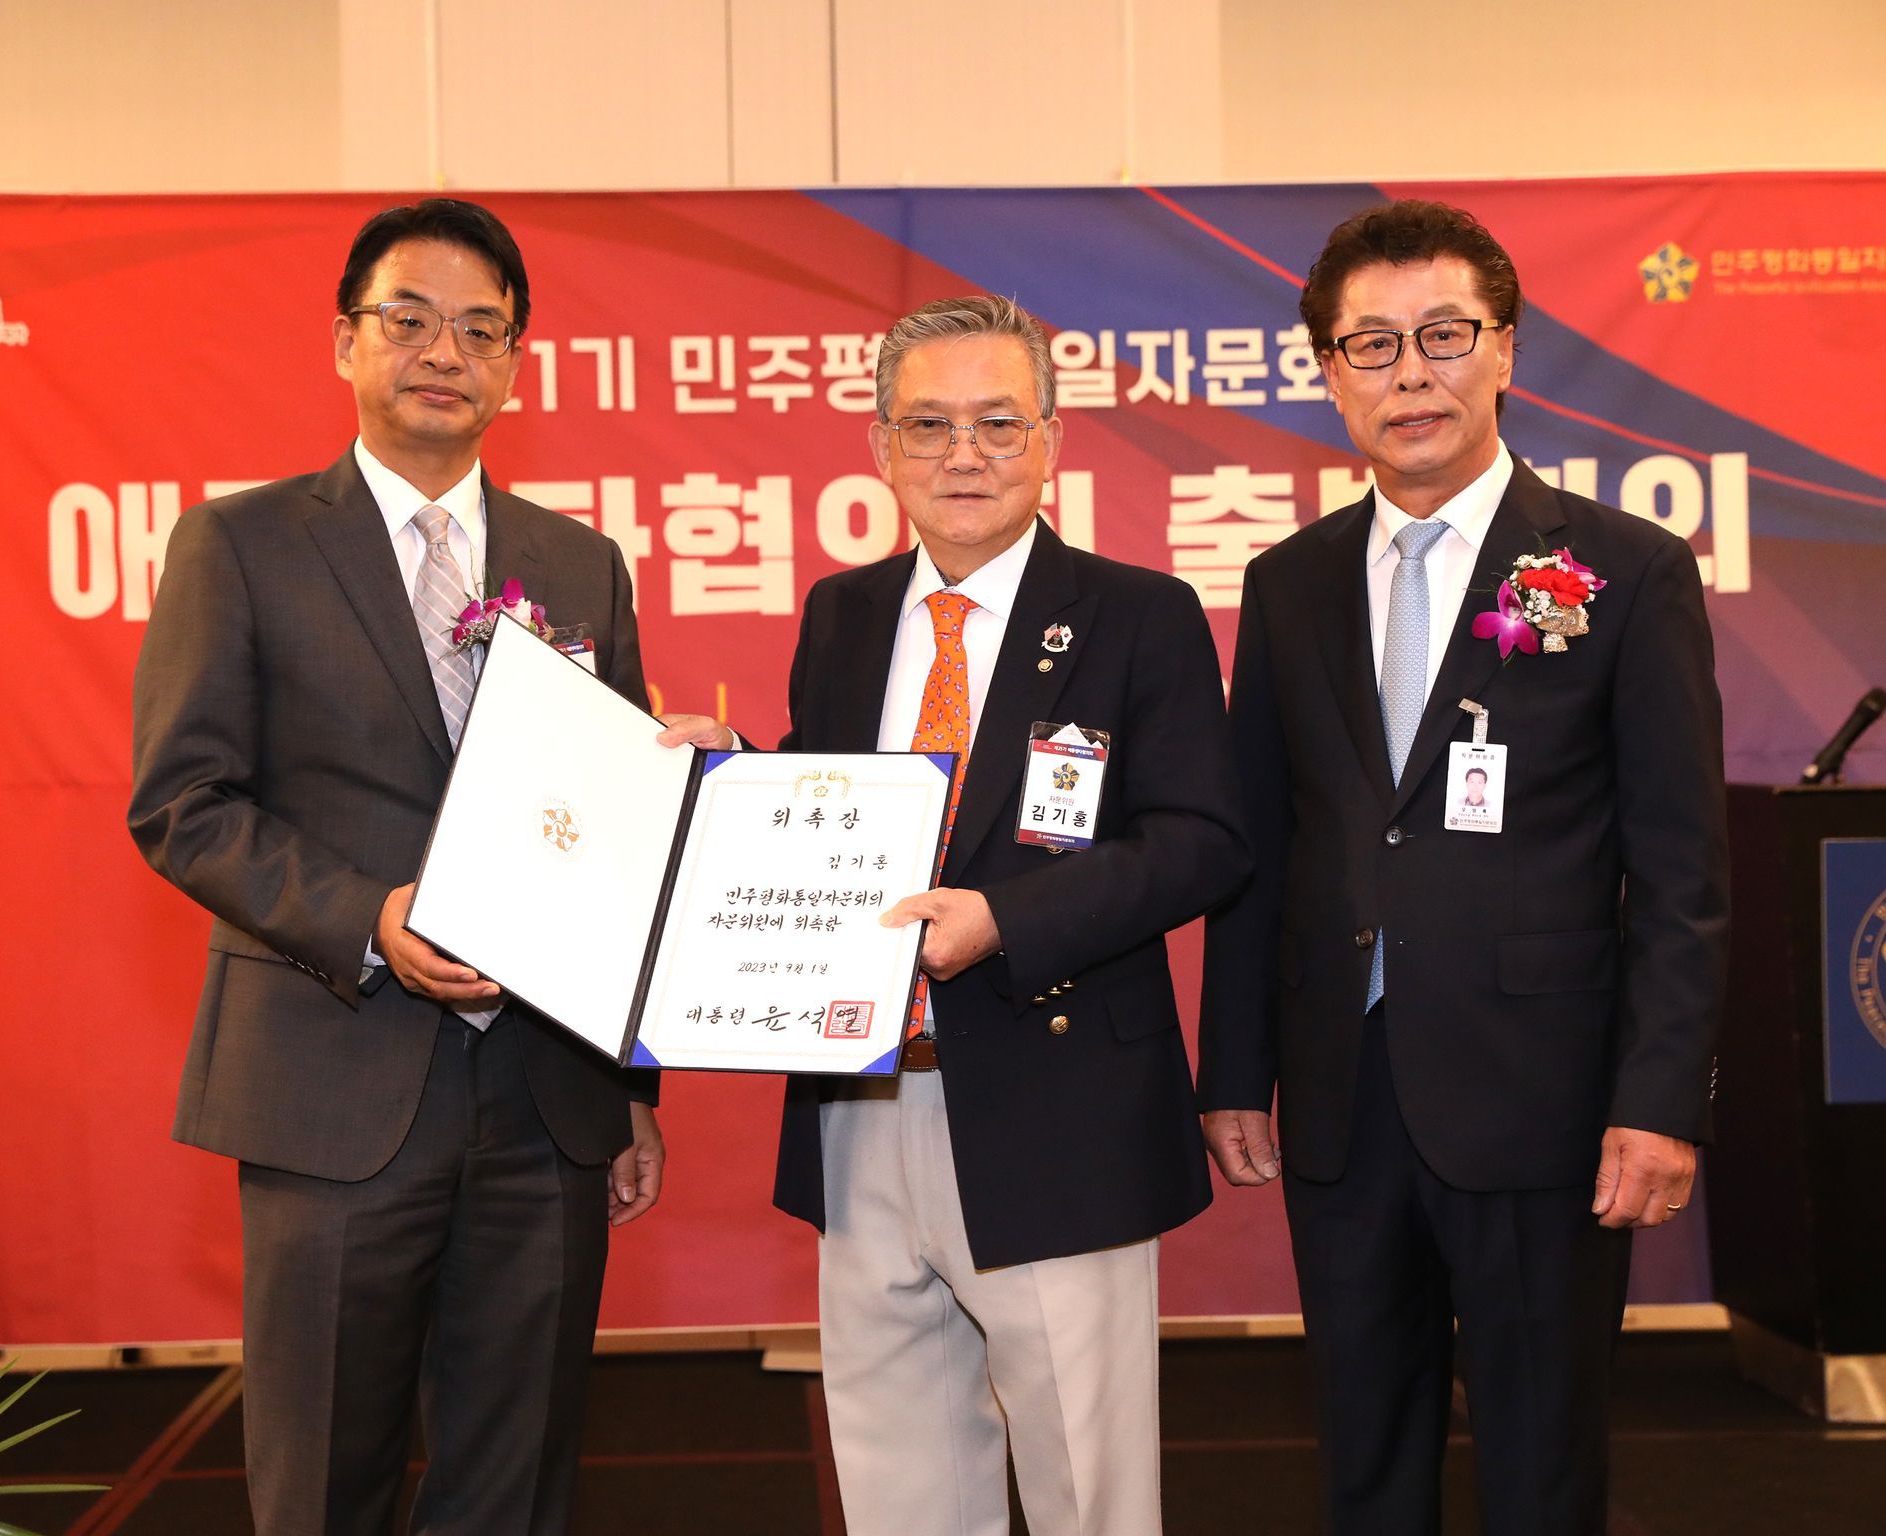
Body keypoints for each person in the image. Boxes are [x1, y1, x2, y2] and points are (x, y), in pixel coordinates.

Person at [129, 198, 663, 1536]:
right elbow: (184, 803)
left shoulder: (579, 563)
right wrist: (370, 918)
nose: (445, 353)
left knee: (516, 1480)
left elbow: (617, 828)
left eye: (482, 330)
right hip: (333, 1081)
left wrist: (632, 1086)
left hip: (545, 1095)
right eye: (410, 320)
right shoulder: (240, 545)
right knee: (324, 1478)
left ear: (516, 363)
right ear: (345, 342)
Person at [1199, 201, 1729, 1535]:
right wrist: (1235, 1071)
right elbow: (1265, 846)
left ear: (1504, 350)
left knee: (1542, 1468)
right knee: (1364, 1463)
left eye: (1443, 335)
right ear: (1329, 374)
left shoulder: (1624, 571)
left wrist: (1660, 1097)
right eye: (1370, 345)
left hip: (1543, 1098)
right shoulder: (1289, 582)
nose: (1411, 374)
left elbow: (1682, 871)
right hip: (1342, 1095)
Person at [763, 295, 1247, 1536]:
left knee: (1089, 1491)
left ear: (1051, 441)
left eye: (997, 423)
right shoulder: (843, 613)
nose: (963, 455)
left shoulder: (1140, 614)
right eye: (928, 425)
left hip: (1058, 1105)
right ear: (881, 447)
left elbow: (1202, 841)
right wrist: (730, 784)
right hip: (863, 1099)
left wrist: (1007, 920)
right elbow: (824, 812)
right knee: (899, 1489)